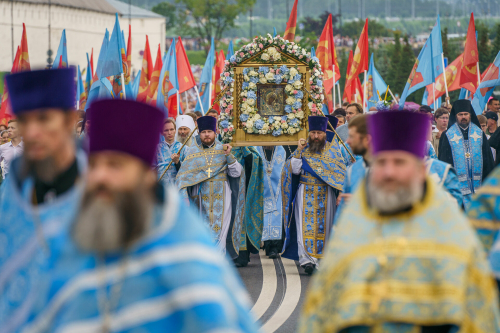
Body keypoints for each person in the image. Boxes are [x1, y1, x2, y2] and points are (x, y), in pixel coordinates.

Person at [21, 99, 259, 333]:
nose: (100, 176)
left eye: (115, 165)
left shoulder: (186, 250)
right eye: (93, 165)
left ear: (145, 176)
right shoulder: (61, 245)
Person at [299, 110, 500, 333]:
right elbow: (321, 312)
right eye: (382, 162)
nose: (389, 172)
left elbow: (476, 317)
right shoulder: (352, 228)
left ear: (419, 169)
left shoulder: (452, 234)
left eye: (399, 162)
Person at [0, 68, 86, 332]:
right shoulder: (13, 188)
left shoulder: (99, 182)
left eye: (44, 118)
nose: (32, 131)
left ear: (69, 119)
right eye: (24, 120)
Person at [281, 116, 347, 274]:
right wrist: (298, 151)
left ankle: (322, 260)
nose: (316, 136)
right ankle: (306, 260)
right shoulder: (303, 150)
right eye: (313, 133)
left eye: (319, 133)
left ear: (325, 133)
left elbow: (340, 172)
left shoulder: (333, 150)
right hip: (305, 190)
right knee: (305, 226)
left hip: (326, 192)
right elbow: (294, 170)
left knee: (325, 225)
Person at [176, 116, 245, 258]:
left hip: (223, 196)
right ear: (199, 134)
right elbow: (183, 177)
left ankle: (219, 262)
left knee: (221, 232)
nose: (206, 135)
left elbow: (237, 172)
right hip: (200, 198)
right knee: (203, 230)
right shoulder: (192, 152)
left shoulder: (224, 149)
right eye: (203, 132)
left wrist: (229, 156)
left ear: (215, 132)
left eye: (209, 131)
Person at [438, 99, 495, 209]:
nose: (463, 117)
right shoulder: (448, 135)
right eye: (460, 114)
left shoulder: (479, 134)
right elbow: (444, 161)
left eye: (465, 114)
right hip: (457, 190)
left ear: (470, 115)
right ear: (456, 116)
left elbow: (488, 160)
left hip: (479, 187)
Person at [257, 145, 286, 259]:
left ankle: (274, 247)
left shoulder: (281, 150)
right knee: (264, 216)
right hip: (261, 190)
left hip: (277, 191)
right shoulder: (257, 149)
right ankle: (267, 245)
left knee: (276, 215)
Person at [156, 118, 185, 186]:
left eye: (172, 129)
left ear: (175, 130)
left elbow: (189, 169)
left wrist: (178, 162)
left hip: (178, 186)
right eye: (166, 130)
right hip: (162, 187)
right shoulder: (156, 149)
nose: (169, 133)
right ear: (162, 133)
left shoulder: (184, 148)